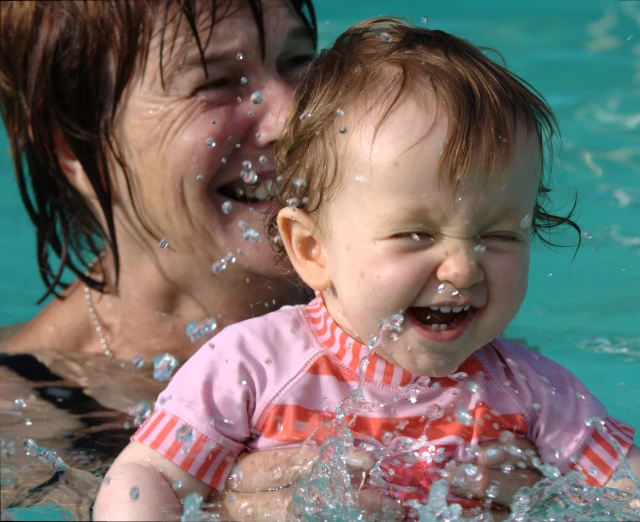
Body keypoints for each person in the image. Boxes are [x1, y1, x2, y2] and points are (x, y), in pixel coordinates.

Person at [94, 18, 640, 521]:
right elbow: (146, 476)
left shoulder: (532, 391)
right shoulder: (254, 366)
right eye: (415, 234)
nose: (464, 267)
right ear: (312, 250)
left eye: (498, 235)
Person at [0, 2, 541, 519]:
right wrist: (208, 511)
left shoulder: (426, 317)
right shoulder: (20, 415)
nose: (289, 117)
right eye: (215, 83)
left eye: (297, 62)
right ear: (73, 144)